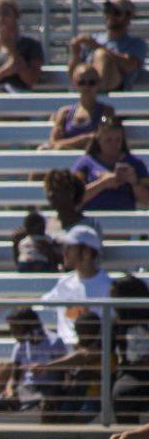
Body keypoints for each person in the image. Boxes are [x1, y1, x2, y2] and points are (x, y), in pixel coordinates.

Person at [0, 308, 69, 423]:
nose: (12, 333)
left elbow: (64, 372)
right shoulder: (20, 346)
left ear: (29, 327)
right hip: (28, 389)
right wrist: (11, 390)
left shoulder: (54, 342)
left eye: (16, 329)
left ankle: (46, 437)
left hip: (50, 389)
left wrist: (47, 370)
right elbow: (14, 376)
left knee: (48, 405)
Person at [41, 224, 112, 346]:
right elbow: (41, 304)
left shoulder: (108, 286)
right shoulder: (64, 282)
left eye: (70, 247)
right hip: (62, 352)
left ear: (87, 252)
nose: (65, 252)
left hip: (90, 355)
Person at [69, 0, 146, 93]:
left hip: (117, 92)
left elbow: (129, 66)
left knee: (101, 54)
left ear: (128, 17)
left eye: (116, 12)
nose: (111, 16)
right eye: (108, 10)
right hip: (85, 92)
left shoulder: (136, 43)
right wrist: (75, 53)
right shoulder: (93, 38)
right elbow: (73, 74)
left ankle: (95, 93)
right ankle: (91, 94)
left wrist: (97, 47)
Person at [72, 116, 149, 211]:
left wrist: (134, 183)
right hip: (92, 220)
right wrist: (102, 184)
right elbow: (74, 199)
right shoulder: (85, 162)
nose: (114, 145)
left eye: (118, 140)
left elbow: (147, 201)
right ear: (99, 139)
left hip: (125, 221)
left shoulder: (135, 163)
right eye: (108, 140)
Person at [43, 65, 116, 151]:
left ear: (98, 83)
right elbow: (54, 142)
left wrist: (66, 144)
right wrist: (83, 139)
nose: (86, 87)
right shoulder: (65, 113)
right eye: (81, 82)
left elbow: (103, 137)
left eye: (91, 82)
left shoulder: (105, 111)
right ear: (74, 83)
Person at [111, 274, 149, 423]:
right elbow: (96, 350)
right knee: (122, 394)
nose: (112, 303)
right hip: (132, 373)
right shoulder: (115, 322)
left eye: (114, 297)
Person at [43, 168, 103, 241]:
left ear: (71, 193)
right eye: (49, 190)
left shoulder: (90, 225)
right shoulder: (46, 225)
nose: (51, 195)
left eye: (56, 190)